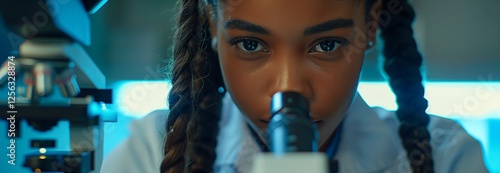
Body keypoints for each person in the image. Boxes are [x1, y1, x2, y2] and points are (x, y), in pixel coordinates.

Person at [100, 0, 489, 172]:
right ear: (213, 27)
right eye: (250, 44)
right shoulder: (150, 153)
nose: (289, 90)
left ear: (370, 27)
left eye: (326, 45)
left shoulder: (449, 159)